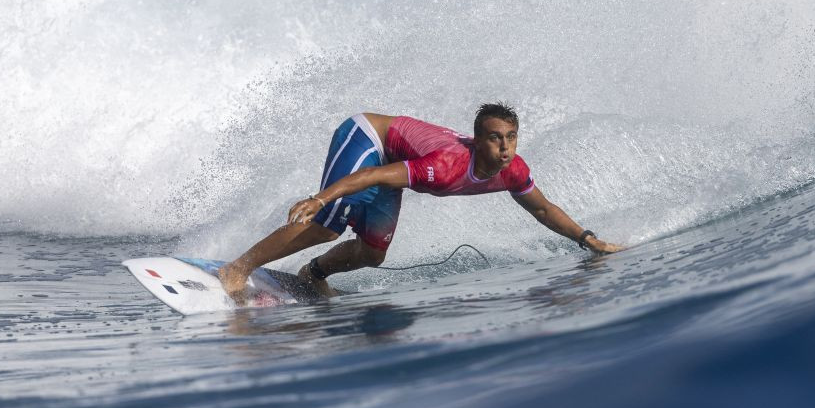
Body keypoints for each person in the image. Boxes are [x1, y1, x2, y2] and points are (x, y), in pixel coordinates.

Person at [217, 103, 622, 302]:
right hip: (369, 140)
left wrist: (588, 239)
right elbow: (374, 174)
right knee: (328, 224)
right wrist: (320, 197)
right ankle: (236, 269)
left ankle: (313, 274)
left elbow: (543, 209)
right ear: (478, 139)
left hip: (394, 159)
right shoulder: (446, 166)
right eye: (496, 137)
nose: (505, 147)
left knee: (373, 252)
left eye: (512, 137)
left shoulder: (512, 170)